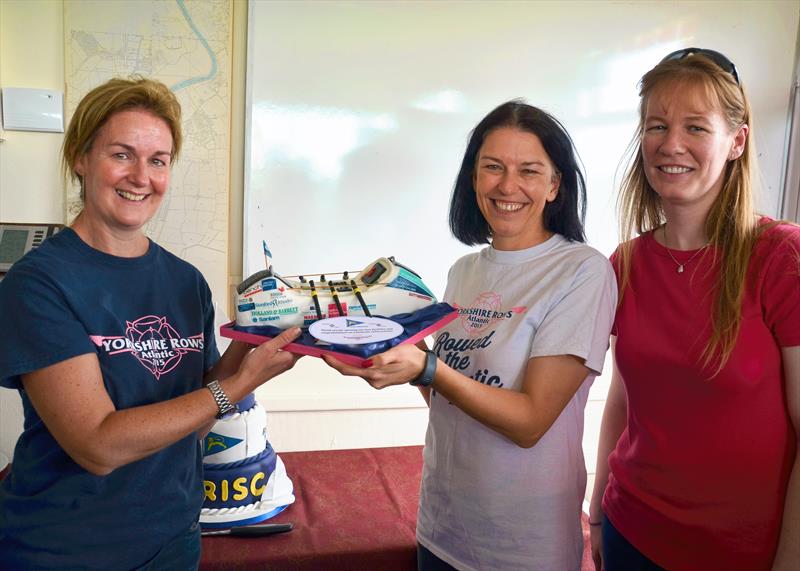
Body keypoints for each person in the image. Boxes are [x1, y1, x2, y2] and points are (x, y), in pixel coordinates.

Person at [0, 77, 301, 570]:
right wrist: (238, 385)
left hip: (173, 539)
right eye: (122, 154)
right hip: (66, 549)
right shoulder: (38, 285)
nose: (141, 176)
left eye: (158, 160)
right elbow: (98, 444)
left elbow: (196, 417)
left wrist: (249, 347)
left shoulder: (186, 282)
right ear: (80, 158)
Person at [324, 100, 617, 570]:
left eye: (529, 170)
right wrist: (396, 347)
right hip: (442, 529)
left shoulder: (582, 272)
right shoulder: (465, 271)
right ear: (474, 178)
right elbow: (450, 394)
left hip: (521, 548)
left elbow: (529, 422)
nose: (507, 185)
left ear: (555, 185)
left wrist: (427, 366)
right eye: (492, 167)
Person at [590, 48, 800, 571]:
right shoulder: (627, 263)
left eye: (696, 127)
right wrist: (596, 512)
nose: (671, 144)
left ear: (737, 141)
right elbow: (623, 397)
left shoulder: (782, 257)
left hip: (745, 552)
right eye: (657, 125)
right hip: (630, 533)